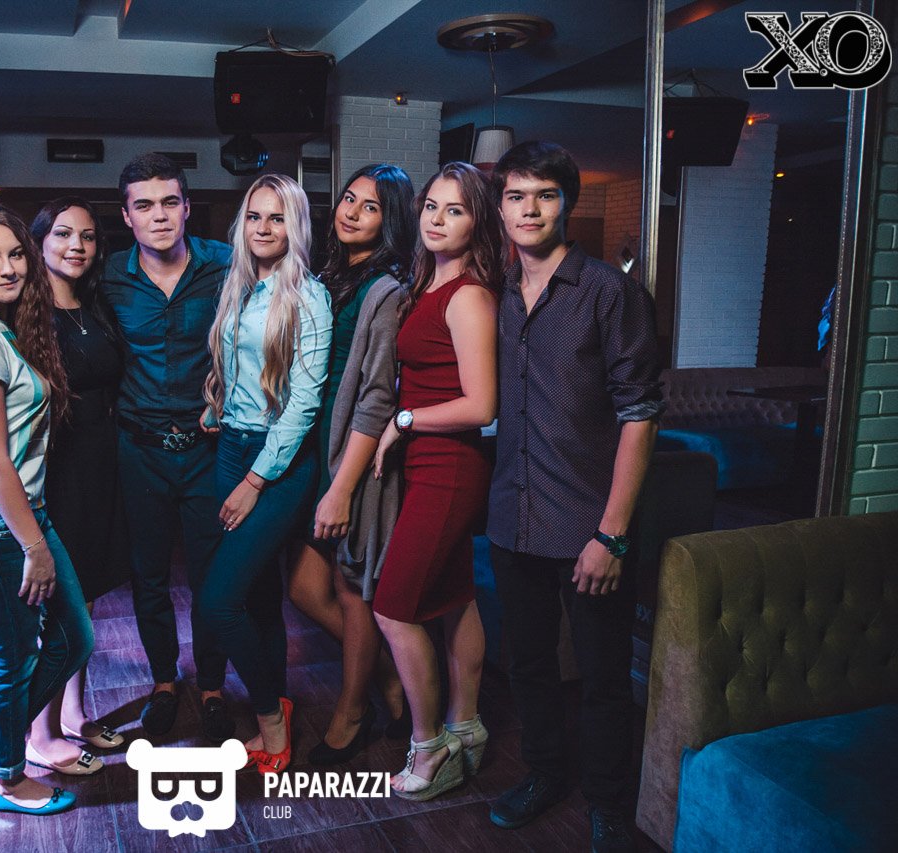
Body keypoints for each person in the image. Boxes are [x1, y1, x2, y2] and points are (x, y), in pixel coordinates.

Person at [486, 141, 662, 853]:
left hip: (590, 525)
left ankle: (610, 805)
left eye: (545, 195)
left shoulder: (608, 292)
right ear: (501, 209)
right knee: (529, 665)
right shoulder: (498, 293)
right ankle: (544, 775)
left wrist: (612, 535)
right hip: (513, 518)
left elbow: (641, 414)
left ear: (567, 203)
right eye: (516, 196)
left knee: (602, 677)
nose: (529, 209)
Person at [0, 197, 131, 775]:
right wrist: (34, 544)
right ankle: (13, 757)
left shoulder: (21, 322)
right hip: (3, 504)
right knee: (19, 651)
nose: (7, 268)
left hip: (50, 484)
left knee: (73, 629)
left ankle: (15, 736)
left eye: (13, 255)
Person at [371, 162, 503, 801]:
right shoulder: (427, 284)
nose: (437, 219)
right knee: (454, 597)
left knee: (393, 607)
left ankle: (430, 748)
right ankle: (467, 725)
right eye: (431, 206)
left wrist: (403, 420)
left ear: (477, 222)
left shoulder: (469, 295)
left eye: (455, 210)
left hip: (450, 467)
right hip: (428, 464)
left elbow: (482, 405)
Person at [196, 173, 331, 774]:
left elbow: (303, 403)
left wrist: (255, 481)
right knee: (256, 595)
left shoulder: (308, 295)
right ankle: (280, 701)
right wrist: (219, 403)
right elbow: (242, 365)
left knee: (218, 602)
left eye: (277, 217)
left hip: (277, 464)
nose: (264, 228)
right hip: (232, 445)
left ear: (294, 225)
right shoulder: (241, 286)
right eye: (255, 216)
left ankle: (271, 718)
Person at [101, 153, 236, 742]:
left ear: (187, 207)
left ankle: (212, 686)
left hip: (209, 449)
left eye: (169, 202)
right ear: (127, 216)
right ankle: (163, 681)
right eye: (144, 205)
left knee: (212, 575)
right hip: (140, 449)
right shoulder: (107, 275)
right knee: (148, 574)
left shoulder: (226, 264)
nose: (159, 215)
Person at [283, 163, 414, 764]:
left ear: (391, 220)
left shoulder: (387, 290)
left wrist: (341, 488)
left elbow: (378, 398)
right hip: (315, 452)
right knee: (305, 588)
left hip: (352, 460)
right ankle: (389, 676)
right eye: (349, 199)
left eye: (371, 207)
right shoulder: (328, 275)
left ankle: (351, 711)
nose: (353, 213)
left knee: (351, 588)